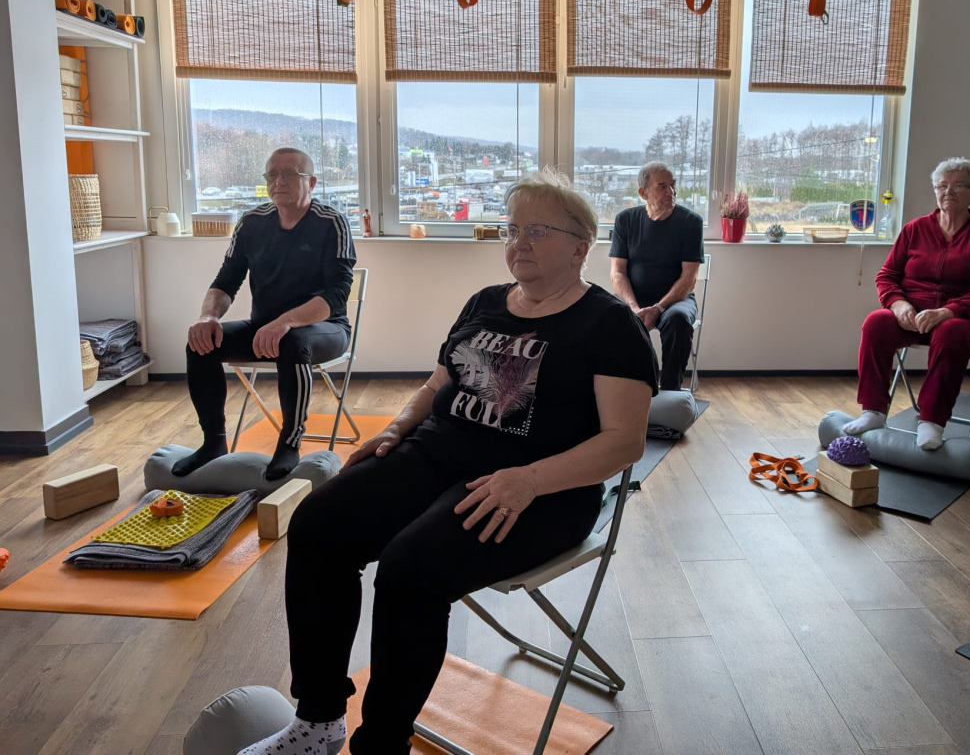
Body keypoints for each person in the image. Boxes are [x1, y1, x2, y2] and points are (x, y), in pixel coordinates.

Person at [236, 171, 657, 755]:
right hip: (436, 453)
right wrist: (396, 428)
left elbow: (624, 442)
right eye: (512, 230)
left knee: (410, 570)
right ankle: (319, 720)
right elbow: (438, 384)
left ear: (580, 247)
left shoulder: (610, 325)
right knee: (317, 525)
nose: (519, 243)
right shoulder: (485, 302)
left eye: (538, 231)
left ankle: (381, 746)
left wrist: (529, 480)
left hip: (539, 488)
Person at [176, 147, 356, 481]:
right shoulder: (252, 223)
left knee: (292, 342)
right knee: (200, 344)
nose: (278, 181)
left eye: (289, 173)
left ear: (312, 182)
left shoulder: (331, 222)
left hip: (325, 328)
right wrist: (208, 318)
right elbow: (226, 281)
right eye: (272, 174)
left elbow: (336, 295)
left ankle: (290, 442)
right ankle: (213, 442)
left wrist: (285, 322)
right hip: (264, 329)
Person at [844, 158, 970, 450]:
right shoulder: (915, 229)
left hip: (968, 321)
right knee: (876, 322)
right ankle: (873, 411)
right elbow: (887, 276)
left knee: (950, 331)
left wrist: (948, 311)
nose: (948, 192)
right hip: (914, 316)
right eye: (942, 186)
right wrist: (898, 304)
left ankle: (932, 420)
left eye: (958, 186)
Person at [610, 161, 705, 391]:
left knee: (678, 320)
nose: (671, 191)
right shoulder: (625, 220)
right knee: (609, 317)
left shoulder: (691, 222)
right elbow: (617, 272)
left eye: (673, 185)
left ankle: (671, 393)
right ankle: (631, 390)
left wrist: (658, 309)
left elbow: (689, 279)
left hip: (676, 301)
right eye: (662, 186)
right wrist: (634, 309)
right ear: (643, 193)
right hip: (635, 300)